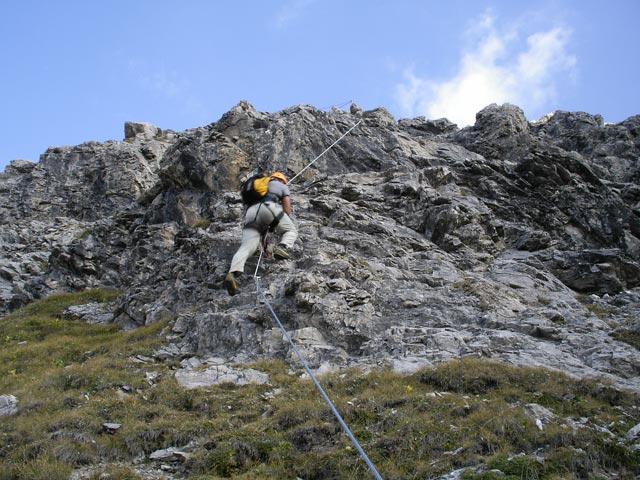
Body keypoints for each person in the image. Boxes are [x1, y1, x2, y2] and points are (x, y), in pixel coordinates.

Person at [223, 171, 298, 295]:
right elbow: (287, 210)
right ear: (282, 180)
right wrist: (276, 222)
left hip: (251, 212)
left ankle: (232, 273)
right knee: (290, 230)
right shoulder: (281, 185)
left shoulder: (258, 186)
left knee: (247, 247)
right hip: (269, 206)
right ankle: (282, 247)